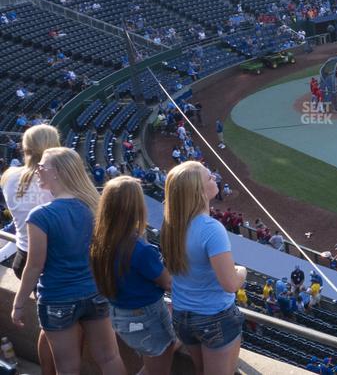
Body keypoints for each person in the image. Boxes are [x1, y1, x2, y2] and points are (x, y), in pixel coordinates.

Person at [10, 147, 125, 375]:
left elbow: (34, 265)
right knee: (110, 357)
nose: (38, 170)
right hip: (95, 292)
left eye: (42, 166)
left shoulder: (40, 216)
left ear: (57, 172)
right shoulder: (94, 206)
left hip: (57, 300)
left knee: (67, 367)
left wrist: (19, 303)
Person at [162, 161, 248, 375]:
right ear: (198, 191)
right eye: (209, 177)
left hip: (182, 315)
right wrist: (242, 272)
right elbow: (230, 284)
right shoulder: (211, 229)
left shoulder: (170, 224)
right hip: (214, 317)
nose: (215, 179)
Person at [89, 177, 179, 375]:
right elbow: (169, 282)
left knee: (159, 358)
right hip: (146, 316)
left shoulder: (100, 240)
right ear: (136, 207)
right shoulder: (139, 248)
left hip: (119, 314)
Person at [1, 124, 60, 374]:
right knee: (57, 329)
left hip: (23, 257)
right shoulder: (56, 177)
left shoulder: (9, 176)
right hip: (51, 261)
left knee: (51, 327)